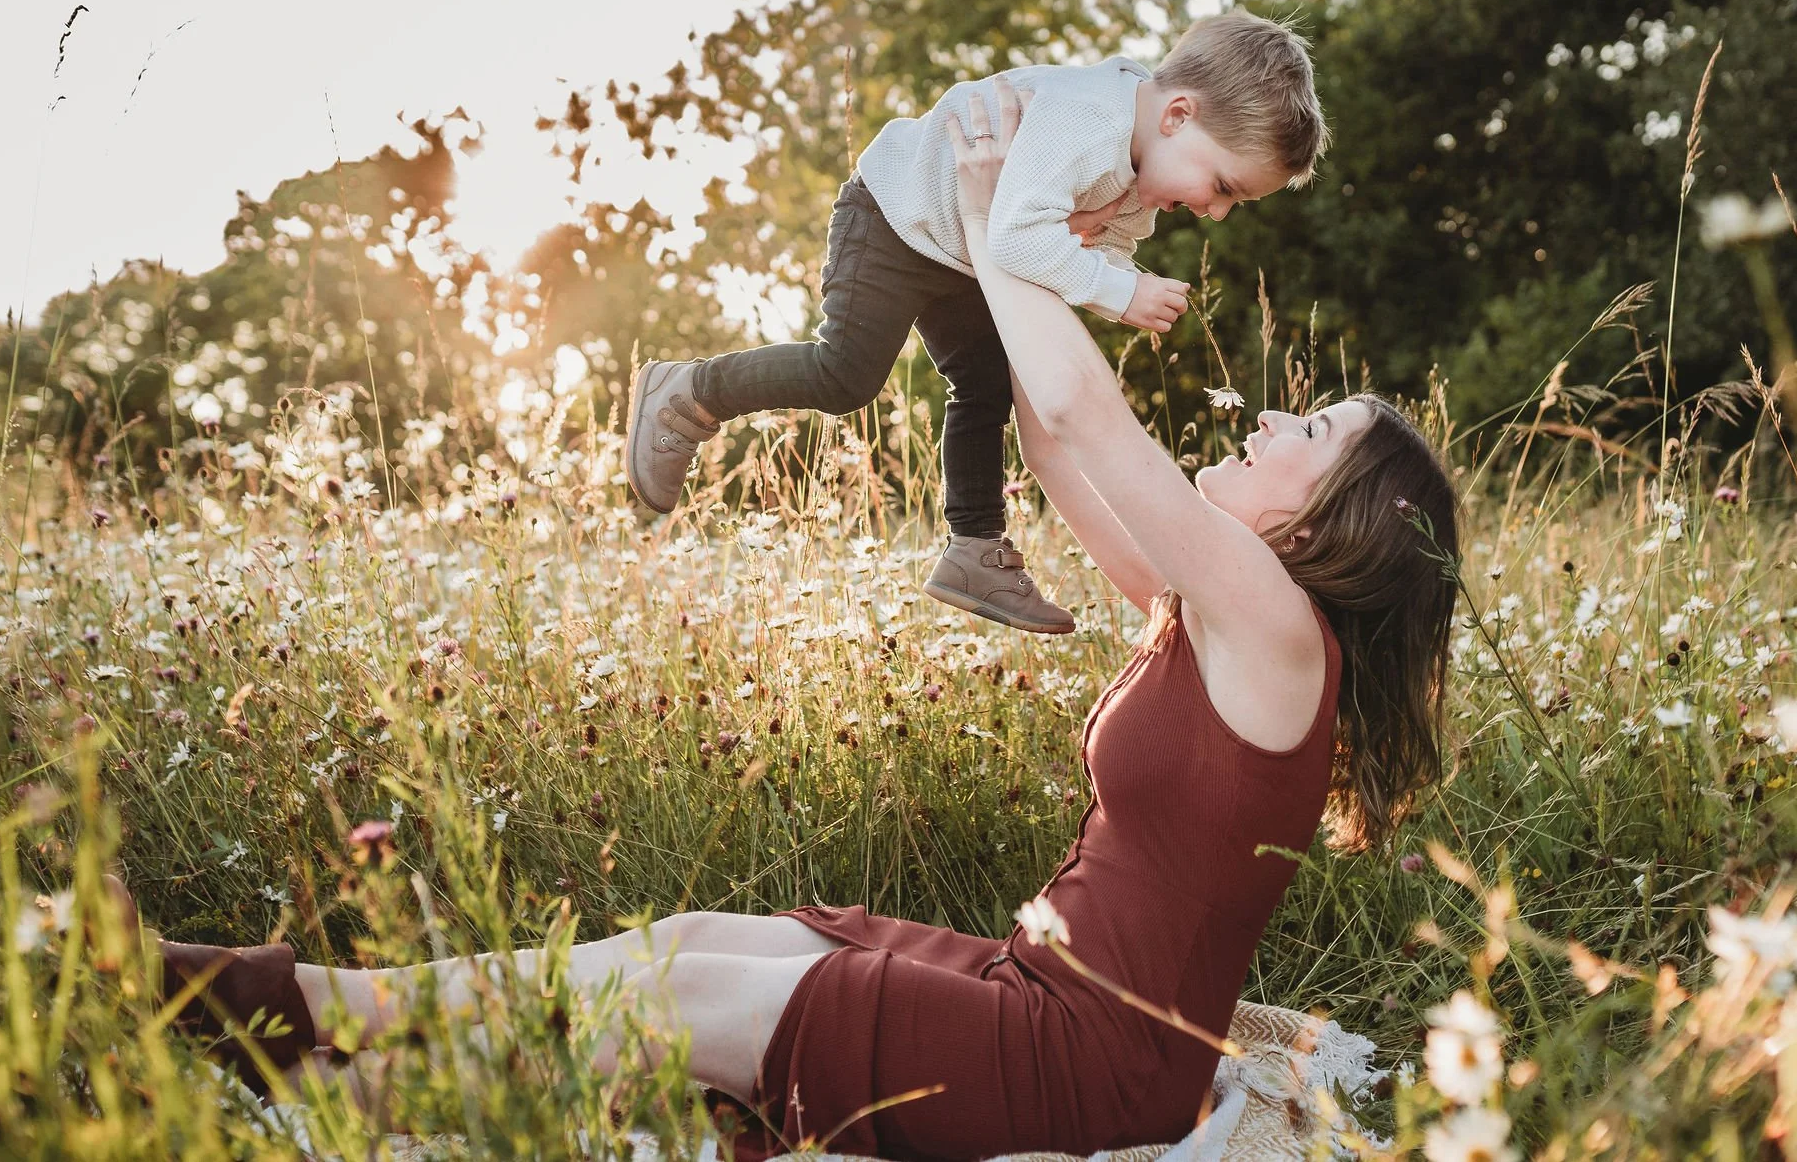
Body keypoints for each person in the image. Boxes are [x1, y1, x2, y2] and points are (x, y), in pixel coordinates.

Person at [128, 80, 1458, 1161]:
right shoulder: (1212, 621)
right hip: (1032, 983)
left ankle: (248, 1024)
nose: (1274, 419)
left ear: (1335, 520)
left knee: (692, 1001)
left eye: (1312, 431)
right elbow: (1057, 439)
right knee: (692, 944)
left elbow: (1089, 409)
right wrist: (1013, 242)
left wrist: (997, 217)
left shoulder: (1274, 624)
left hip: (1091, 1065)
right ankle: (286, 1031)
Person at [624, 12, 1329, 635]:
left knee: (984, 389)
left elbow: (1088, 246)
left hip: (961, 253)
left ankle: (975, 546)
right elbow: (1014, 237)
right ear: (1177, 114)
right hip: (897, 218)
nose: (1216, 212)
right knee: (845, 375)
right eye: (1223, 186)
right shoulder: (1091, 121)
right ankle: (690, 391)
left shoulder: (1141, 173)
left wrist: (1113, 277)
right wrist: (1120, 293)